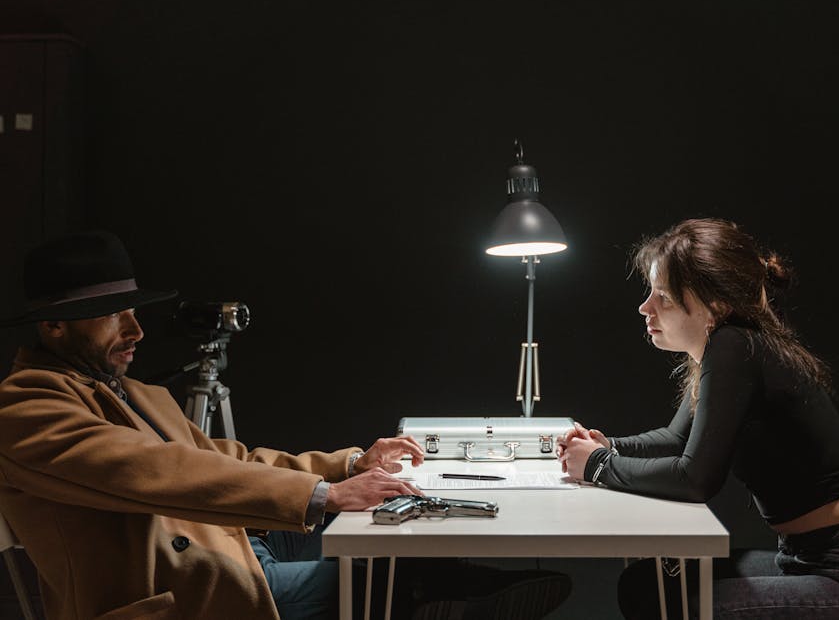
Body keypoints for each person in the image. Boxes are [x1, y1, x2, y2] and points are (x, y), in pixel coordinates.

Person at [0, 230, 570, 620]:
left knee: (399, 524)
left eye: (133, 311)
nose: (136, 331)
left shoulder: (134, 393)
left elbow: (227, 459)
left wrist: (349, 465)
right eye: (112, 316)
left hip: (237, 546)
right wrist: (323, 494)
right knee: (381, 578)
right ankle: (442, 592)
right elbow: (157, 470)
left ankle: (454, 585)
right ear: (54, 326)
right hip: (183, 592)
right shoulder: (24, 411)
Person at [556, 219, 839, 619]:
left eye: (665, 297)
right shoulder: (729, 347)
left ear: (717, 306)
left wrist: (597, 465)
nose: (646, 307)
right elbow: (677, 439)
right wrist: (608, 446)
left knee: (680, 606)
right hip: (807, 559)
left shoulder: (735, 347)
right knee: (646, 586)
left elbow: (695, 479)